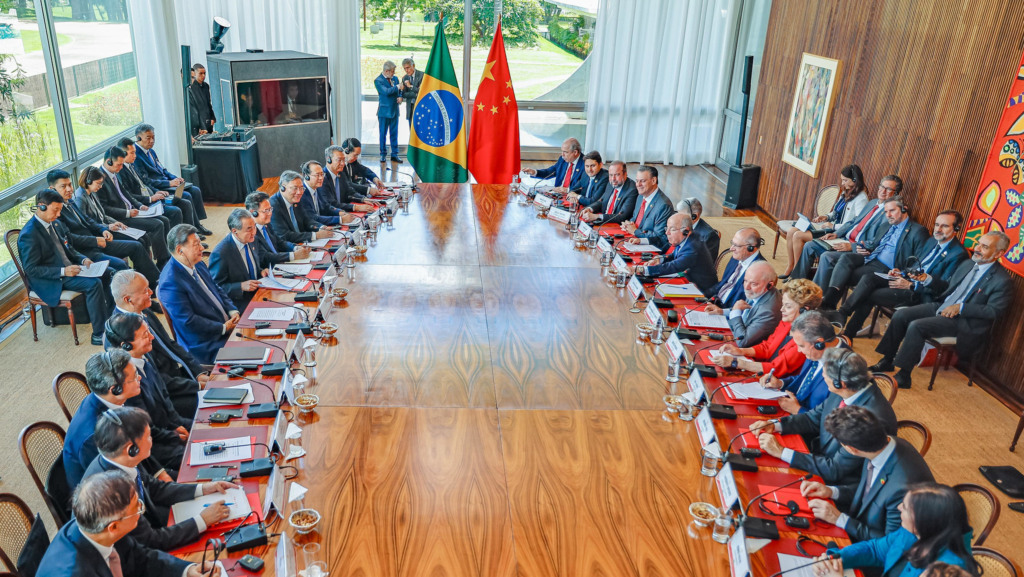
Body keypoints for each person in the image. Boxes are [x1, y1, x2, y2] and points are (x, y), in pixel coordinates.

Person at [872, 231, 1014, 389]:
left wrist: (962, 308)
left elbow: (994, 311)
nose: (977, 248)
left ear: (999, 253)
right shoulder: (968, 264)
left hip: (963, 321)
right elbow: (948, 288)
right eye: (978, 243)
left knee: (917, 326)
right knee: (901, 315)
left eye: (984, 247)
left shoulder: (1002, 281)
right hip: (942, 306)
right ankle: (887, 360)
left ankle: (904, 376)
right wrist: (928, 279)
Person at [83, 407, 232, 551]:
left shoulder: (120, 459)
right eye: (148, 436)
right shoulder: (113, 492)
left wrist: (203, 489)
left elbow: (154, 488)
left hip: (152, 525)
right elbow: (152, 540)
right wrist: (202, 520)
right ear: (131, 448)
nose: (151, 439)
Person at [751, 349, 899, 485]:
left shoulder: (872, 419)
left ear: (839, 383)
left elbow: (835, 469)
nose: (822, 375)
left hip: (838, 483)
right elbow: (812, 418)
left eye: (824, 374)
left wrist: (781, 452)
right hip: (817, 457)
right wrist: (775, 424)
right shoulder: (845, 389)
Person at [35, 470, 218, 577]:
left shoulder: (96, 528)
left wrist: (186, 570)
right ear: (113, 527)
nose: (141, 510)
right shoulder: (74, 572)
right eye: (137, 509)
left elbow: (140, 556)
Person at [800, 406, 934, 543]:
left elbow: (889, 544)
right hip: (858, 521)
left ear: (852, 450)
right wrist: (832, 491)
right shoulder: (880, 445)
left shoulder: (902, 489)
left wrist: (840, 519)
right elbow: (870, 491)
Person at [839, 210, 968, 338]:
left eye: (944, 226)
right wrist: (901, 272)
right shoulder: (932, 241)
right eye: (937, 224)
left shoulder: (958, 254)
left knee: (871, 295)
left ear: (956, 228)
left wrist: (911, 285)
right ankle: (842, 313)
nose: (938, 229)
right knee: (869, 278)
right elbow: (916, 265)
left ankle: (848, 334)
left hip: (918, 292)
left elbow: (943, 288)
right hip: (905, 280)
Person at [812, 483, 977, 577]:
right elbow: (875, 550)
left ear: (924, 522)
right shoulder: (913, 532)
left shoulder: (945, 571)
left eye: (904, 507)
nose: (898, 508)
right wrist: (835, 559)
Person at [18, 189, 112, 345]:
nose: (58, 214)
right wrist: (64, 271)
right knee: (93, 284)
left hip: (68, 268)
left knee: (107, 273)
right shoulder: (29, 234)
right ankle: (98, 334)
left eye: (60, 210)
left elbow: (69, 249)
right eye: (55, 210)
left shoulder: (54, 223)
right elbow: (31, 269)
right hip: (51, 278)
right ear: (41, 207)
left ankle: (109, 319)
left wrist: (83, 260)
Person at [110, 270, 207, 418]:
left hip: (178, 377)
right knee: (217, 405)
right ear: (128, 299)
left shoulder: (144, 312)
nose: (151, 292)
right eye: (145, 291)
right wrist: (197, 386)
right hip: (164, 398)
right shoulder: (119, 334)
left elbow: (170, 344)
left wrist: (197, 372)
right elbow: (154, 379)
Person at [104, 313, 190, 473]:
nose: (151, 337)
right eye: (145, 335)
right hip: (153, 447)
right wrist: (173, 436)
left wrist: (180, 426)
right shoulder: (127, 382)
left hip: (170, 431)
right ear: (126, 345)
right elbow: (145, 428)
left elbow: (165, 400)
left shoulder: (145, 359)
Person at [51, 169, 160, 292]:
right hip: (87, 249)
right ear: (52, 189)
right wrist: (96, 240)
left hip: (98, 240)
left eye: (70, 185)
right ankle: (137, 293)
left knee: (137, 246)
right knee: (122, 265)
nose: (69, 189)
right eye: (63, 186)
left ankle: (152, 285)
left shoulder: (70, 201)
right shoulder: (57, 212)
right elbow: (70, 239)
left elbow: (88, 220)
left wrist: (103, 229)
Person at [820, 196, 929, 310]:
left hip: (886, 267)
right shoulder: (886, 225)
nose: (888, 215)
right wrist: (862, 247)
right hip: (870, 257)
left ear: (904, 209)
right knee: (846, 258)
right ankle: (830, 299)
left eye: (892, 211)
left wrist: (902, 273)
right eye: (886, 212)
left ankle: (829, 305)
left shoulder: (918, 230)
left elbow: (918, 260)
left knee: (845, 274)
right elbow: (874, 243)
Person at [791, 175, 901, 282]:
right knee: (810, 246)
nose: (883, 191)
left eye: (888, 189)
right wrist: (837, 233)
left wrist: (851, 246)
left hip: (858, 250)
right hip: (844, 239)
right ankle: (795, 284)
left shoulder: (890, 214)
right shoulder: (873, 203)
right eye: (882, 186)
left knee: (826, 257)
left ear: (895, 193)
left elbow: (876, 242)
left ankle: (816, 295)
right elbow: (854, 221)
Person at [157, 225, 240, 365]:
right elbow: (188, 321)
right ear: (180, 250)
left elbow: (216, 287)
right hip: (205, 344)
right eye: (196, 244)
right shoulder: (170, 283)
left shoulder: (198, 263)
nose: (202, 248)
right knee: (250, 353)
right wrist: (223, 328)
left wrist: (231, 310)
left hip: (226, 324)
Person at [64, 350, 143, 489]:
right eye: (135, 376)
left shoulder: (112, 398)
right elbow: (114, 483)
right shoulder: (93, 436)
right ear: (116, 389)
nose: (140, 378)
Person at [713, 279, 822, 377]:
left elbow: (776, 368)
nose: (781, 310)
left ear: (805, 310)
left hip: (778, 384)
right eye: (783, 305)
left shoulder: (807, 338)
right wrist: (740, 351)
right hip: (762, 374)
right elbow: (767, 347)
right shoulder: (788, 322)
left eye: (788, 306)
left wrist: (736, 362)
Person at [781, 164, 870, 278]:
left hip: (837, 232)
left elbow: (856, 224)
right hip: (828, 226)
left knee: (798, 235)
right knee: (791, 231)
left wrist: (833, 226)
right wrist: (826, 217)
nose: (842, 183)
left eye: (845, 180)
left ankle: (796, 271)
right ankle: (790, 266)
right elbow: (835, 213)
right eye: (842, 180)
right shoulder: (846, 192)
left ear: (854, 180)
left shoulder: (861, 199)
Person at [95, 146, 172, 266]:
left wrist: (140, 205)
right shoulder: (99, 180)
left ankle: (165, 256)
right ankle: (162, 262)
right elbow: (104, 208)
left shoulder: (113, 174)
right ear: (108, 161)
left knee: (164, 220)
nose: (121, 168)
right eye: (119, 165)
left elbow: (126, 193)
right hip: (121, 218)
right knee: (158, 225)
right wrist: (127, 213)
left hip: (133, 211)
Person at [758, 310, 847, 414]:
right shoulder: (816, 351)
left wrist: (798, 410)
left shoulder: (844, 369)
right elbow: (804, 380)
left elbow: (830, 419)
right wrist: (780, 383)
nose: (799, 350)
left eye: (801, 346)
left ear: (819, 343)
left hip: (805, 424)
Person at [132, 124, 210, 229]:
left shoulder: (151, 151)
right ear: (139, 138)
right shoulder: (135, 156)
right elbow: (146, 181)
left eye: (153, 137)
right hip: (159, 186)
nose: (152, 141)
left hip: (166, 182)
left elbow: (162, 169)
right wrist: (168, 183)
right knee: (186, 195)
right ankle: (190, 228)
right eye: (148, 138)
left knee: (195, 190)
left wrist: (174, 178)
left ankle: (197, 224)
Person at [118, 137, 199, 231]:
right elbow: (129, 195)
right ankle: (178, 241)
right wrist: (150, 198)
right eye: (132, 153)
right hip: (143, 203)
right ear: (122, 154)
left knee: (185, 203)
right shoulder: (121, 171)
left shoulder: (131, 165)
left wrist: (157, 192)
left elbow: (144, 184)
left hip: (152, 196)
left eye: (135, 152)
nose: (135, 155)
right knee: (175, 211)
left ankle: (192, 233)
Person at [704, 261, 782, 347]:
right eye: (745, 281)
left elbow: (742, 341)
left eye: (753, 284)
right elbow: (744, 308)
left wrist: (735, 313)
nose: (746, 287)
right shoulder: (760, 291)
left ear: (770, 285)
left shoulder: (769, 311)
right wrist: (722, 311)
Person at [634, 213, 718, 293]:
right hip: (687, 282)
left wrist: (641, 269)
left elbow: (673, 266)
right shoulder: (687, 238)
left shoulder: (693, 247)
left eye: (672, 229)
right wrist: (659, 259)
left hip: (702, 292)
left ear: (686, 231)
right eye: (667, 228)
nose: (667, 233)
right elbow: (674, 255)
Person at [210, 209, 271, 310]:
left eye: (254, 227)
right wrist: (241, 286)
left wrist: (261, 271)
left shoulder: (251, 239)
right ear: (235, 231)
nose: (254, 232)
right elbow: (216, 288)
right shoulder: (221, 253)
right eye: (249, 229)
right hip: (240, 302)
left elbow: (251, 266)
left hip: (259, 291)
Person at [269, 170, 336, 245]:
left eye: (301, 188)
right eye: (295, 188)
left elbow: (306, 220)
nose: (299, 192)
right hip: (290, 248)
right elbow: (285, 235)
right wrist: (315, 235)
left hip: (304, 243)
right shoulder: (273, 206)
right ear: (283, 188)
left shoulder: (296, 199)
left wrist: (321, 227)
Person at [245, 191, 312, 265]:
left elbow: (279, 242)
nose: (270, 213)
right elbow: (265, 256)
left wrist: (295, 247)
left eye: (270, 209)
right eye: (266, 211)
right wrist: (293, 255)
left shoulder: (266, 224)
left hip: (281, 264)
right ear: (253, 212)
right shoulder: (250, 232)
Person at [706, 228, 766, 307]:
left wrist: (722, 311)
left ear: (750, 248)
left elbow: (748, 307)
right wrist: (700, 294)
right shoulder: (737, 258)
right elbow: (722, 284)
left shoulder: (760, 271)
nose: (731, 248)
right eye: (732, 243)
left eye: (736, 245)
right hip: (714, 302)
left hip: (727, 312)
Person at [621, 165, 674, 250]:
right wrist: (628, 224)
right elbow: (635, 218)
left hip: (651, 248)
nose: (638, 185)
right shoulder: (640, 197)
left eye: (642, 181)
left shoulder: (663, 205)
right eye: (637, 181)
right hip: (633, 241)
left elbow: (660, 237)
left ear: (653, 180)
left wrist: (635, 231)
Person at [297, 160, 358, 226]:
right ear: (307, 176)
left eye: (322, 174)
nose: (321, 178)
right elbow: (313, 218)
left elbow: (326, 206)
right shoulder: (301, 193)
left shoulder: (318, 188)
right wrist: (340, 219)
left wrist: (340, 212)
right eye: (317, 175)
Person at [578, 160, 637, 225]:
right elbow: (602, 201)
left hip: (616, 227)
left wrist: (597, 216)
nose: (613, 179)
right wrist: (590, 208)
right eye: (611, 175)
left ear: (625, 174)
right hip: (603, 223)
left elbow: (622, 216)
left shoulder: (632, 190)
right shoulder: (610, 184)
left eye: (617, 175)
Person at [321, 145, 378, 213]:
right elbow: (332, 204)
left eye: (344, 160)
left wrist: (363, 199)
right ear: (329, 159)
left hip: (344, 211)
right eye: (339, 160)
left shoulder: (341, 174)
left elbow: (350, 191)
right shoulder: (322, 178)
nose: (343, 164)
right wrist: (355, 207)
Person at [375, 61, 402, 166]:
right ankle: (383, 154)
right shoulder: (378, 81)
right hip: (384, 112)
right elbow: (386, 92)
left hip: (395, 111)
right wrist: (398, 88)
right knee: (383, 134)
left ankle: (395, 154)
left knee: (394, 134)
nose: (394, 74)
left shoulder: (395, 79)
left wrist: (400, 96)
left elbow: (399, 92)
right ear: (386, 71)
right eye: (392, 72)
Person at [187, 63, 216, 137]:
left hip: (208, 120)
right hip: (200, 122)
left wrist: (212, 117)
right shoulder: (192, 87)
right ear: (195, 74)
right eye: (201, 74)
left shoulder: (206, 86)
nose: (203, 76)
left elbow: (208, 103)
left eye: (204, 73)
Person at [400, 58, 423, 124]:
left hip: (420, 106)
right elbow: (404, 94)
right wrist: (415, 94)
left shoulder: (422, 75)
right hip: (410, 108)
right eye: (405, 68)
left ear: (413, 66)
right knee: (411, 130)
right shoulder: (405, 78)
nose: (406, 70)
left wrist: (411, 87)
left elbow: (422, 92)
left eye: (408, 67)